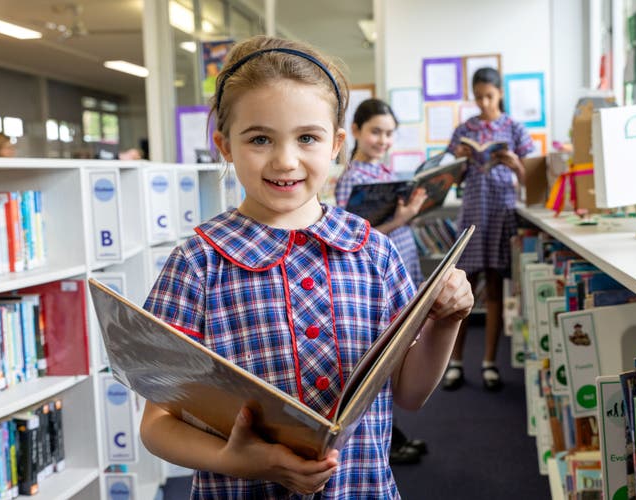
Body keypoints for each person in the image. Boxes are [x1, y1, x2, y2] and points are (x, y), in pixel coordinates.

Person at [140, 35, 473, 499]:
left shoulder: (374, 254)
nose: (285, 160)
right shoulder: (197, 265)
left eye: (308, 138)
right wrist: (233, 459)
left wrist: (446, 323)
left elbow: (410, 393)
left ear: (336, 144)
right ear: (225, 145)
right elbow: (157, 424)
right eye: (259, 138)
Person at [334, 98, 428, 466]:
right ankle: (384, 440)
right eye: (376, 131)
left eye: (389, 133)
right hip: (373, 278)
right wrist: (401, 219)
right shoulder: (353, 178)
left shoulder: (384, 172)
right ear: (355, 131)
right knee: (381, 360)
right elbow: (356, 238)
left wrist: (413, 212)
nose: (383, 140)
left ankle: (390, 435)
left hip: (402, 263)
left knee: (401, 356)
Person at [441, 67, 534, 392]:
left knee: (495, 288)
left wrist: (517, 165)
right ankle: (454, 362)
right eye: (478, 96)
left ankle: (489, 362)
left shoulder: (515, 128)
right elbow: (449, 180)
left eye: (489, 96)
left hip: (501, 211)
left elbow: (531, 179)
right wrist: (459, 161)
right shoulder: (464, 129)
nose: (483, 102)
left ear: (500, 94)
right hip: (471, 213)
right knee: (461, 289)